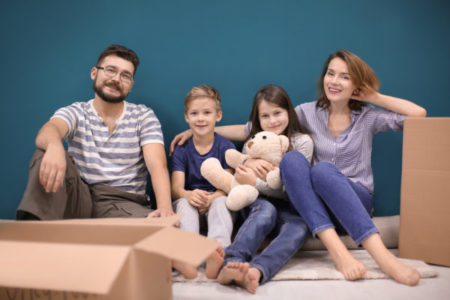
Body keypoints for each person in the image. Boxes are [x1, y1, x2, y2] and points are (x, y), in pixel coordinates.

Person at [170, 50, 427, 286]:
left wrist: (374, 96)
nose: (334, 81)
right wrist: (197, 130)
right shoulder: (307, 112)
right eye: (330, 73)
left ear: (356, 84)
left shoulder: (368, 116)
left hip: (355, 201)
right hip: (313, 210)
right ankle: (254, 271)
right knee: (294, 170)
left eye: (344, 77)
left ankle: (382, 258)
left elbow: (419, 115)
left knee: (322, 170)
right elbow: (249, 129)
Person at [17, 44, 174, 220]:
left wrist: (165, 208)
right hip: (79, 198)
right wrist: (54, 146)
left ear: (130, 85)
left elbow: (157, 165)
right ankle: (35, 233)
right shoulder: (77, 111)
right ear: (94, 73)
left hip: (121, 203)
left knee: (155, 234)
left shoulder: (143, 116)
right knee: (43, 152)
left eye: (125, 76)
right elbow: (49, 130)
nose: (116, 79)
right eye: (110, 70)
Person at [198, 85, 313, 293]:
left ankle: (257, 270)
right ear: (257, 120)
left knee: (301, 227)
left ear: (288, 111)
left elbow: (296, 190)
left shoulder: (301, 142)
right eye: (265, 116)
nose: (273, 121)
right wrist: (247, 166)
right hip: (255, 202)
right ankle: (232, 262)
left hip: (289, 204)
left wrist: (256, 182)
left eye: (277, 113)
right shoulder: (254, 142)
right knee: (266, 210)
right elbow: (243, 179)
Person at [171, 85, 235, 279]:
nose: (200, 118)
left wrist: (212, 197)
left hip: (215, 200)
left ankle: (216, 251)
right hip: (191, 201)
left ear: (218, 116)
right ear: (186, 117)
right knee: (182, 204)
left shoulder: (226, 147)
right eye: (194, 113)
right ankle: (188, 256)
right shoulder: (182, 150)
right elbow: (176, 189)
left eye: (207, 113)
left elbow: (228, 185)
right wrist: (188, 195)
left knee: (222, 202)